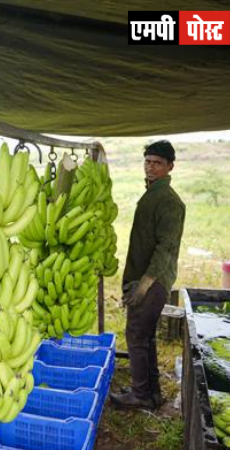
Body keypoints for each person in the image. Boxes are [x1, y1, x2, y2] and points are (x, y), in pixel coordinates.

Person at [110, 140, 186, 411]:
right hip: (147, 278)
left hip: (152, 281)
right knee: (146, 337)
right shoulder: (154, 194)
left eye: (157, 163)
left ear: (169, 167)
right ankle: (151, 393)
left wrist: (143, 285)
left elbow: (166, 248)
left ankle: (141, 395)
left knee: (136, 336)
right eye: (148, 162)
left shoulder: (169, 201)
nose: (150, 167)